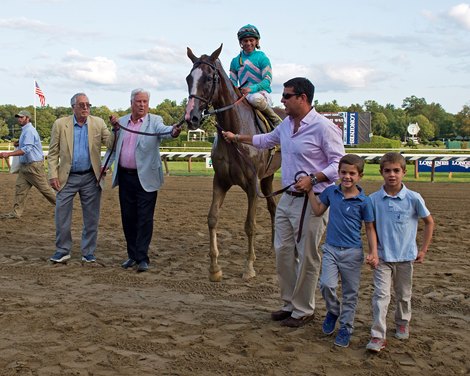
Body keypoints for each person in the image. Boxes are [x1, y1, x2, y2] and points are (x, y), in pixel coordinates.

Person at [222, 77, 344, 327]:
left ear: (302, 98)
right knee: (283, 253)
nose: (282, 100)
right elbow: (266, 140)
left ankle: (304, 309)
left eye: (287, 96)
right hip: (288, 198)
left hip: (313, 200)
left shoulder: (324, 127)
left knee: (307, 256)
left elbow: (338, 165)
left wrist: (314, 178)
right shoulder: (287, 125)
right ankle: (289, 304)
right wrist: (236, 138)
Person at [366, 152, 434, 352]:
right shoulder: (373, 200)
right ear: (381, 173)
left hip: (405, 257)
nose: (392, 175)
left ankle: (402, 321)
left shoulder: (413, 198)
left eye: (396, 170)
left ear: (404, 172)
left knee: (404, 294)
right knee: (380, 296)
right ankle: (378, 335)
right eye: (387, 171)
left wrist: (423, 249)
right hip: (383, 258)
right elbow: (370, 228)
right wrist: (373, 252)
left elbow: (429, 223)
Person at [108, 88, 182, 273]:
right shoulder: (122, 121)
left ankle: (142, 257)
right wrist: (113, 128)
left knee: (144, 219)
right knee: (128, 218)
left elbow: (165, 132)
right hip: (125, 177)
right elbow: (112, 145)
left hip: (146, 178)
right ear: (131, 102)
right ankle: (132, 255)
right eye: (138, 101)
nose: (142, 105)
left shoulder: (155, 121)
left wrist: (174, 131)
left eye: (145, 102)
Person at [308, 154, 378, 347]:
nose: (347, 177)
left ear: (360, 176)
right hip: (331, 249)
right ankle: (333, 311)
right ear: (338, 173)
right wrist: (309, 192)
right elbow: (317, 210)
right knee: (326, 285)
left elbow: (370, 228)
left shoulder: (365, 201)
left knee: (350, 293)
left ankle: (346, 327)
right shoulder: (331, 192)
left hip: (352, 253)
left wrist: (373, 252)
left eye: (352, 174)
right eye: (343, 172)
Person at [47, 93, 110, 263]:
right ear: (73, 107)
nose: (85, 108)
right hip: (66, 178)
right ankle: (62, 250)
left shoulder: (99, 123)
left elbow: (111, 144)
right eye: (81, 105)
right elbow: (52, 153)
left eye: (88, 104)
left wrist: (116, 129)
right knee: (62, 216)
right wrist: (52, 174)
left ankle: (88, 252)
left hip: (91, 177)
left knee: (91, 218)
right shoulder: (60, 124)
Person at [0, 110, 56, 219]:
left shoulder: (29, 131)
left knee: (45, 190)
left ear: (27, 118)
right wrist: (18, 143)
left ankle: (63, 206)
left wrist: (9, 154)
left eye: (21, 117)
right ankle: (16, 213)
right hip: (25, 167)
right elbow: (26, 145)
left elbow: (27, 149)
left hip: (33, 166)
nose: (19, 119)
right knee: (20, 189)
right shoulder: (26, 130)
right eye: (18, 117)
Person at [229, 24, 281, 126]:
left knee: (255, 99)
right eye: (245, 41)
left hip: (261, 94)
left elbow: (267, 81)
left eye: (251, 40)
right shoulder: (235, 61)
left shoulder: (262, 58)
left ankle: (275, 120)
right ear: (241, 42)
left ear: (256, 41)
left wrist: (251, 89)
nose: (248, 43)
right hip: (242, 96)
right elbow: (232, 82)